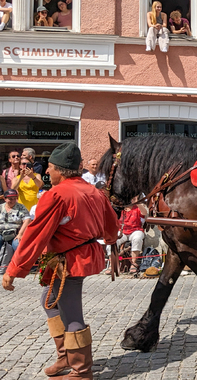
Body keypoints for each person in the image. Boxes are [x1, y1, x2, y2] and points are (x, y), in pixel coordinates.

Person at [2, 142, 119, 380]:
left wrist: (13, 269)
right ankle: (65, 356)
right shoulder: (95, 192)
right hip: (78, 257)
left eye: (51, 167)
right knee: (49, 301)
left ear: (62, 170)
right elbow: (112, 229)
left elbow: (35, 235)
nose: (47, 172)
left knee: (71, 313)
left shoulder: (57, 195)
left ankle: (81, 371)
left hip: (70, 261)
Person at [111, 200, 145, 274]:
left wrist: (137, 203)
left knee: (137, 238)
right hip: (122, 231)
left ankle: (133, 263)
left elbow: (144, 213)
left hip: (136, 229)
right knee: (112, 240)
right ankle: (112, 264)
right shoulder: (120, 208)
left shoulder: (137, 207)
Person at [0, 189, 31, 270]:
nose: (13, 201)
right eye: (10, 199)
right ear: (5, 199)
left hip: (16, 233)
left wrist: (20, 234)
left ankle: (21, 268)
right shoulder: (0, 207)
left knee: (18, 246)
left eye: (14, 198)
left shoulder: (21, 207)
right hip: (1, 233)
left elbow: (27, 220)